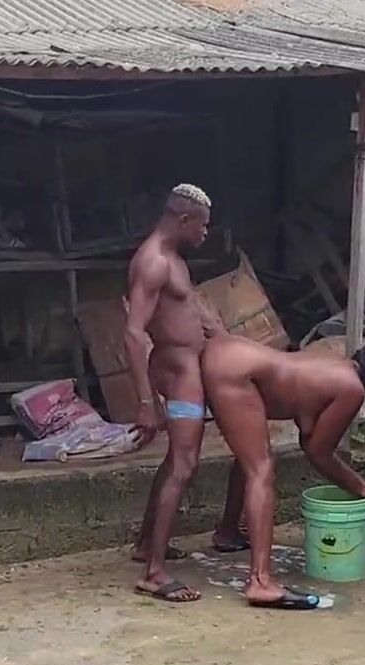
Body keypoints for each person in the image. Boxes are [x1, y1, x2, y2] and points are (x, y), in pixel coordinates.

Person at [200, 334, 365, 610]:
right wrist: (361, 487)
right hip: (236, 370)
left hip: (222, 350)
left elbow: (307, 430)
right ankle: (260, 581)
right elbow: (319, 453)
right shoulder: (352, 389)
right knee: (262, 470)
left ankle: (227, 532)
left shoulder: (330, 365)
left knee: (247, 457)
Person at [125, 183, 250, 604]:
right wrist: (146, 403)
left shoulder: (173, 258)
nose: (205, 233)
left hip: (188, 369)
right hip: (178, 375)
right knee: (184, 464)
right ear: (183, 220)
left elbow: (186, 311)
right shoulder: (154, 262)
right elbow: (133, 334)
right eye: (203, 226)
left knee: (177, 461)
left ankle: (147, 544)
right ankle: (154, 573)